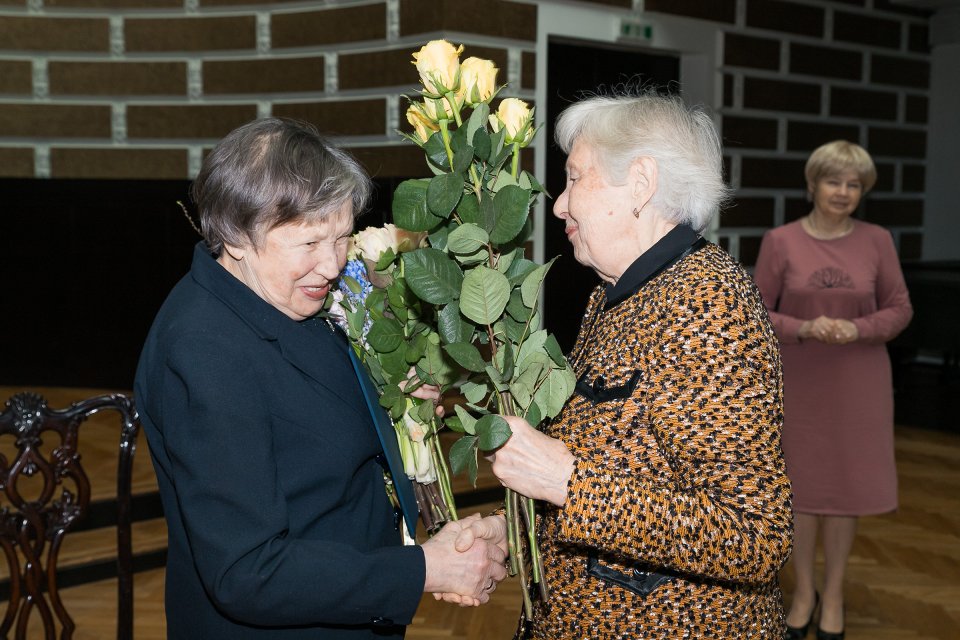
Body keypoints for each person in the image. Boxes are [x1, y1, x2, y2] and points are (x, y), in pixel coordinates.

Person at [134, 117, 507, 639]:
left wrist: (390, 398)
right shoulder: (204, 351)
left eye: (343, 237)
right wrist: (427, 569)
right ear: (238, 235)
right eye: (309, 243)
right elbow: (248, 572)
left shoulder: (281, 297)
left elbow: (305, 423)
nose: (333, 266)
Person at [456, 92, 793, 638]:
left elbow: (755, 537)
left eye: (574, 179)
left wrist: (569, 483)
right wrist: (516, 533)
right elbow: (628, 469)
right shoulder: (617, 293)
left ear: (640, 183)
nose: (559, 205)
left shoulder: (705, 307)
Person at [753, 140, 912, 640]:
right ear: (812, 184)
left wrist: (857, 329)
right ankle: (803, 592)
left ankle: (835, 592)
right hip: (799, 382)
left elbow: (900, 308)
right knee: (801, 490)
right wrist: (802, 327)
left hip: (859, 383)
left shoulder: (877, 240)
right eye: (833, 181)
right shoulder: (779, 241)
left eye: (854, 184)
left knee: (845, 491)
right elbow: (756, 312)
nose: (843, 192)